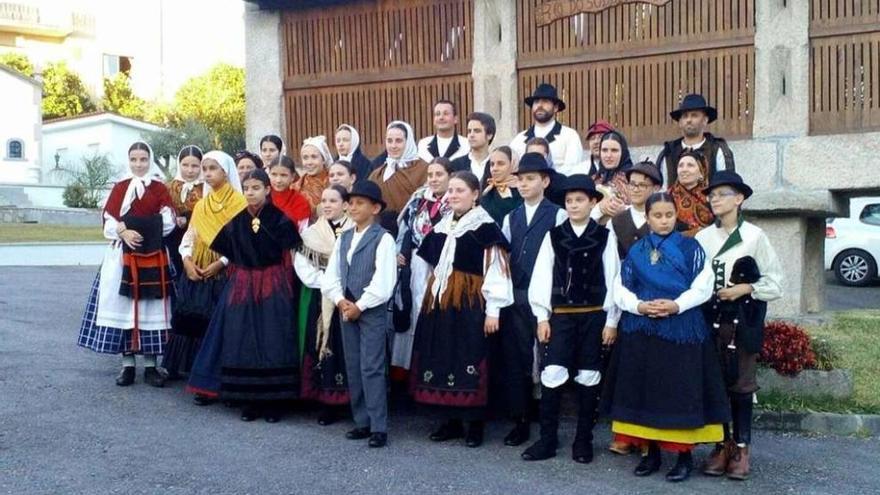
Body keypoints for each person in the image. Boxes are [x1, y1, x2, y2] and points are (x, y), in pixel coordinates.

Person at [601, 192, 730, 483]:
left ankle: (683, 456)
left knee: (678, 392)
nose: (663, 221)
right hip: (642, 327)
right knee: (645, 390)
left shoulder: (690, 248)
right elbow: (620, 287)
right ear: (647, 218)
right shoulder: (636, 251)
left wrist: (676, 305)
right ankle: (651, 453)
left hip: (681, 329)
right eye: (657, 216)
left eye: (668, 215)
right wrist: (639, 306)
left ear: (676, 216)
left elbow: (703, 286)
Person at [187, 167, 302, 423]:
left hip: (273, 282)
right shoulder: (237, 221)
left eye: (256, 188)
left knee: (273, 338)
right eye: (247, 188)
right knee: (245, 337)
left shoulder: (279, 219)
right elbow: (228, 251)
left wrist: (284, 284)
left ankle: (275, 401)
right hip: (244, 284)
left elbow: (290, 253)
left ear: (267, 190)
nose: (251, 193)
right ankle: (250, 399)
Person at [410, 171, 513, 448]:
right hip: (441, 305)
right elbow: (425, 267)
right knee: (443, 357)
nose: (453, 195)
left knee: (470, 356)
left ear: (475, 194)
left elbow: (497, 270)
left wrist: (493, 310)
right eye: (451, 191)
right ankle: (450, 421)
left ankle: (475, 424)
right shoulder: (442, 227)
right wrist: (425, 298)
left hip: (470, 304)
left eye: (460, 191)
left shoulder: (485, 227)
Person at [521, 174, 620, 464]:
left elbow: (614, 278)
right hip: (561, 317)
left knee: (589, 376)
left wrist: (611, 320)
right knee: (552, 374)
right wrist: (542, 317)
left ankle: (583, 441)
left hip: (593, 318)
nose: (574, 205)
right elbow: (541, 276)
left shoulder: (605, 236)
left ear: (593, 203)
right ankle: (547, 440)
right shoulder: (554, 236)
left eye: (580, 200)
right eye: (569, 201)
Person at [696, 171, 783, 481]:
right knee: (716, 384)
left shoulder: (755, 236)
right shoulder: (704, 237)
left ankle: (742, 448)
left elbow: (775, 282)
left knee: (742, 384)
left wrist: (744, 289)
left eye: (722, 194)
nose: (715, 199)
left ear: (739, 199)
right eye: (712, 195)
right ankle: (722, 444)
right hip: (711, 317)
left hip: (742, 318)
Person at [77, 141, 175, 387]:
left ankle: (151, 366)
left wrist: (134, 227)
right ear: (128, 160)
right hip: (122, 256)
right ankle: (128, 365)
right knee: (124, 306)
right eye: (134, 159)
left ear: (149, 160)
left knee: (149, 305)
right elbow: (108, 219)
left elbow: (168, 221)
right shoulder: (120, 188)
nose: (138, 164)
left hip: (152, 254)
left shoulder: (159, 188)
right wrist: (123, 231)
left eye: (143, 159)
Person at [497, 153, 567, 447]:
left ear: (545, 181)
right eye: (521, 179)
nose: (524, 185)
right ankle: (520, 420)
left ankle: (548, 421)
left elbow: (563, 260)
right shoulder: (510, 216)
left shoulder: (558, 214)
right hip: (516, 295)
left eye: (530, 179)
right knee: (517, 359)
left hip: (546, 298)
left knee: (549, 359)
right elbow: (503, 258)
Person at [322, 180, 397, 448]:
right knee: (353, 365)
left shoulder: (383, 238)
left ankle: (379, 425)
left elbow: (384, 280)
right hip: (347, 308)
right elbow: (331, 276)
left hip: (370, 310)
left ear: (375, 208)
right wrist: (341, 300)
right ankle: (361, 420)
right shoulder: (344, 238)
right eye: (351, 203)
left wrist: (360, 305)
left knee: (372, 366)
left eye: (360, 203)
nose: (353, 207)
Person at [162, 149, 243, 383]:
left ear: (225, 172)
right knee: (189, 316)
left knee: (215, 323)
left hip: (224, 273)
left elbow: (239, 241)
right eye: (205, 169)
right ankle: (186, 367)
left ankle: (211, 374)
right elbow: (191, 236)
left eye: (212, 169)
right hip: (197, 269)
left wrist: (221, 262)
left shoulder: (239, 204)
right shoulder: (202, 205)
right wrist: (187, 260)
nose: (206, 174)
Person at [295, 185, 354, 425]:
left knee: (346, 347)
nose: (327, 205)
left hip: (348, 297)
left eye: (333, 200)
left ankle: (352, 399)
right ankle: (326, 401)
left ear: (345, 204)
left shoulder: (355, 230)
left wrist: (339, 287)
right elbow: (303, 267)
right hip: (319, 297)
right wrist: (327, 284)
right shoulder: (311, 234)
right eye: (324, 200)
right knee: (320, 343)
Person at [392, 157, 453, 371]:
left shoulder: (455, 201)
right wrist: (400, 251)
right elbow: (406, 228)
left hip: (442, 264)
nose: (434, 179)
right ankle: (411, 367)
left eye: (439, 174)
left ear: (450, 176)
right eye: (430, 175)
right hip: (417, 263)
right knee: (414, 307)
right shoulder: (418, 199)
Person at [656, 94, 735, 187]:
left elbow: (726, 186)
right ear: (680, 122)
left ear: (705, 120)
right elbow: (662, 189)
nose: (689, 120)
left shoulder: (717, 149)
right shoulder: (669, 151)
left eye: (694, 115)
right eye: (685, 116)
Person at [368, 120, 429, 236]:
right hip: (381, 234)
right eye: (389, 141)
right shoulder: (377, 174)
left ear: (408, 142)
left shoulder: (424, 169)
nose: (393, 146)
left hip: (414, 234)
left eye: (399, 141)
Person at [510, 83, 582, 175]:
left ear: (555, 107)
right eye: (536, 102)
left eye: (545, 101)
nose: (540, 105)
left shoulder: (570, 136)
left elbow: (573, 170)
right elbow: (512, 169)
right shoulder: (519, 139)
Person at [165, 145, 204, 276]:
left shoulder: (207, 188)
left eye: (195, 166)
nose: (190, 170)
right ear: (179, 164)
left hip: (199, 241)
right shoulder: (168, 187)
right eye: (185, 165)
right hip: (173, 241)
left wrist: (188, 219)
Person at [669, 149, 714, 237]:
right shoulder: (667, 197)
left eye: (690, 165)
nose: (684, 169)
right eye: (680, 166)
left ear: (701, 173)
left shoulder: (712, 197)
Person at [480, 146, 522, 225]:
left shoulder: (523, 191)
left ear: (513, 164)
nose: (494, 168)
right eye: (492, 164)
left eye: (501, 164)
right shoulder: (487, 193)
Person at [451, 112, 495, 187]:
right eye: (469, 131)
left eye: (477, 131)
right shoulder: (455, 164)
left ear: (489, 135)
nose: (471, 135)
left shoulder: (496, 164)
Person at [268, 155, 311, 232]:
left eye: (283, 175)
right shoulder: (262, 197)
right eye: (274, 174)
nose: (278, 180)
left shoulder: (300, 202)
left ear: (292, 177)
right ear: (269, 174)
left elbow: (303, 232)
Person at [294, 136, 332, 218]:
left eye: (314, 157)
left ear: (323, 159)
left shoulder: (334, 182)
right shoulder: (296, 187)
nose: (309, 162)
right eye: (305, 158)